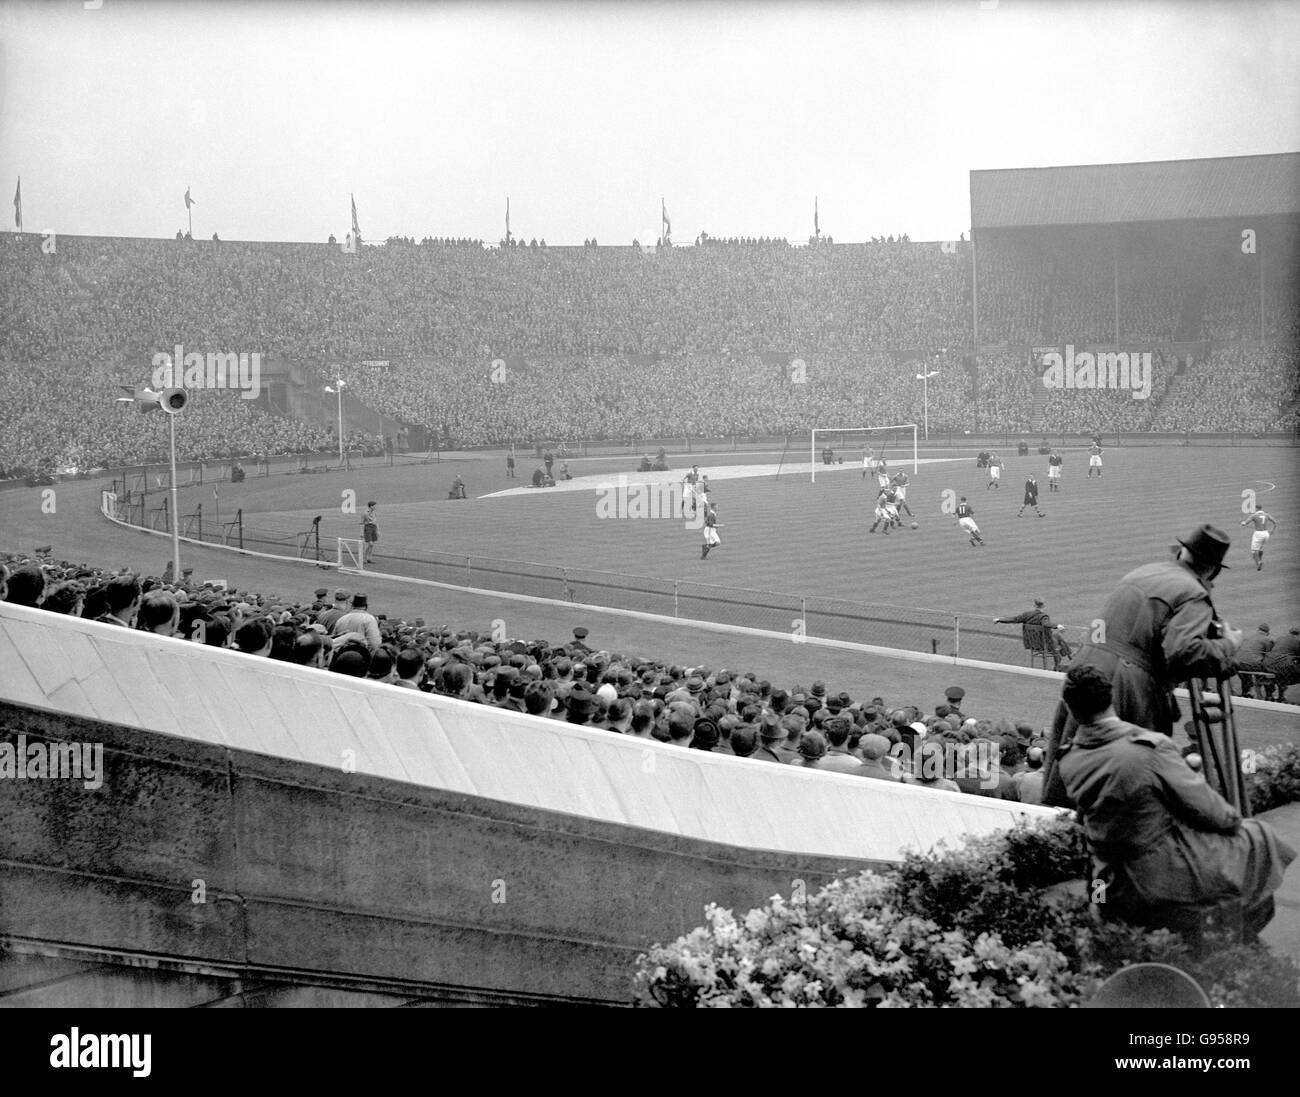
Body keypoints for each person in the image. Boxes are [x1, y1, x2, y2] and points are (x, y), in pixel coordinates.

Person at [1056, 664, 1294, 941]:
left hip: (1106, 877)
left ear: (1071, 708)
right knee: (1258, 835)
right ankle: (1237, 940)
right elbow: (1214, 814)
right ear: (1110, 698)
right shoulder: (1150, 748)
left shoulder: (1068, 758)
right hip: (1159, 875)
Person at [1042, 524, 1243, 808]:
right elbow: (1184, 653)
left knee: (1076, 766)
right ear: (1212, 570)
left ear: (1183, 553)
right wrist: (1228, 644)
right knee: (1127, 782)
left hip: (1086, 667)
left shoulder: (1145, 572)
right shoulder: (1193, 593)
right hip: (1127, 682)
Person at [1240, 505, 1277, 571]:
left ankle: (1258, 563)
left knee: (1254, 551)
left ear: (1257, 508)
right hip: (1266, 534)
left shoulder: (1254, 515)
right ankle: (1260, 559)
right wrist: (1272, 530)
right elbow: (1275, 522)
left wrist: (1242, 522)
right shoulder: (1267, 515)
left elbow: (1245, 523)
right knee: (1260, 548)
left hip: (1258, 534)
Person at [361, 501, 379, 567]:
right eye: (374, 506)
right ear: (371, 506)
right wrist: (361, 533)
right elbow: (361, 523)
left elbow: (376, 522)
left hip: (373, 528)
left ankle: (369, 558)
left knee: (372, 545)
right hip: (368, 528)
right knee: (370, 544)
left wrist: (378, 531)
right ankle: (364, 558)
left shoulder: (374, 513)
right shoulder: (365, 513)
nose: (375, 507)